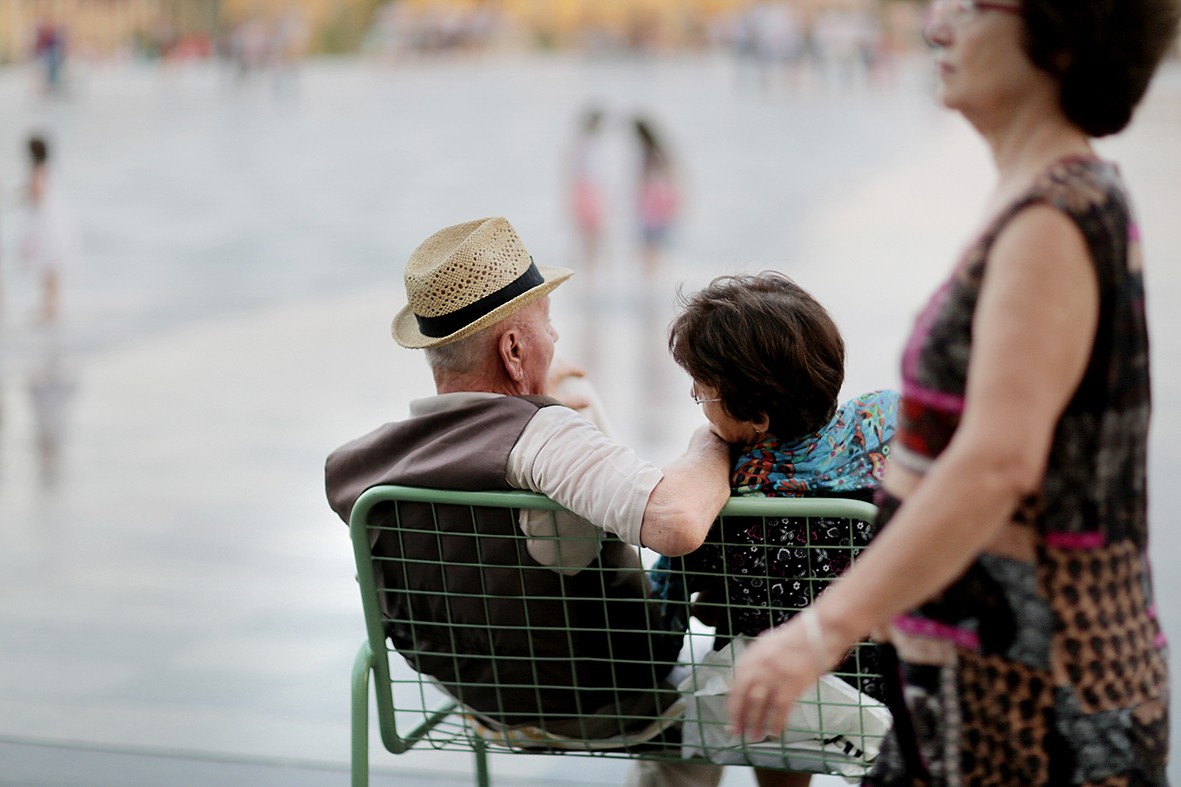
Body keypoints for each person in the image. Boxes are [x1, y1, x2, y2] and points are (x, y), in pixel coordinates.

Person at [727, 1, 1180, 784]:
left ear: (1062, 35)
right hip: (982, 684)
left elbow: (994, 463)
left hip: (1039, 701)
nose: (937, 24)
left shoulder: (1054, 217)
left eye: (972, 6)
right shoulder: (1041, 199)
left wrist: (818, 632)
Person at [324, 217, 731, 785]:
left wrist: (549, 396)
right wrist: (712, 438)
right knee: (718, 683)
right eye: (547, 324)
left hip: (479, 696)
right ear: (514, 348)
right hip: (604, 696)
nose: (557, 338)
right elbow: (679, 523)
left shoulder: (364, 467)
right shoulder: (542, 438)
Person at [651, 273, 898, 787]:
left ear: (758, 418)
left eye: (703, 391)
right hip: (889, 681)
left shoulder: (734, 497)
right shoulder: (885, 421)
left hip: (784, 695)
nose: (696, 393)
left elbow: (667, 599)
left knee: (751, 648)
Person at [20, 135, 79, 324]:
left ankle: (49, 306)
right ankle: (52, 305)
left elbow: (36, 196)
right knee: (52, 264)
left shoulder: (38, 171)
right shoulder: (51, 168)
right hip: (55, 221)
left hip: (44, 223)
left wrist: (20, 195)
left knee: (47, 264)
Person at [633, 116, 681, 279]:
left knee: (650, 244)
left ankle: (650, 276)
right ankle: (652, 277)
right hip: (658, 203)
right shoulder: (659, 152)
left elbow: (645, 180)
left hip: (652, 204)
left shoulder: (650, 154)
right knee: (654, 244)